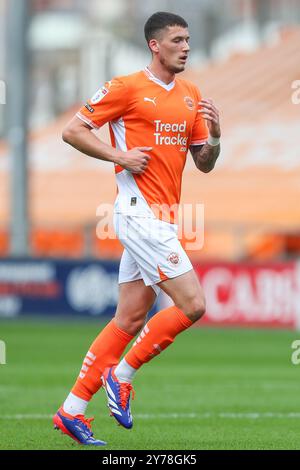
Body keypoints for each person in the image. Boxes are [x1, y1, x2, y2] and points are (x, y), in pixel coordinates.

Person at [53, 11, 221, 446]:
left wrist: (216, 138)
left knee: (128, 318)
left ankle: (71, 410)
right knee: (193, 304)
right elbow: (73, 131)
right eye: (178, 40)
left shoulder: (191, 94)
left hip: (163, 217)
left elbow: (204, 163)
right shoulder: (125, 87)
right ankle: (121, 375)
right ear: (155, 44)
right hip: (138, 212)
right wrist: (119, 156)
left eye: (188, 39)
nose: (186, 46)